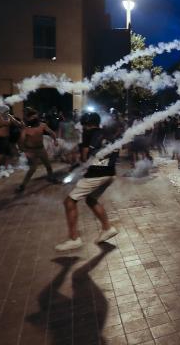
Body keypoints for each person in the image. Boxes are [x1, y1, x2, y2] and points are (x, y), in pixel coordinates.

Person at [55, 112, 119, 252]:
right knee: (91, 199)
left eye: (84, 125)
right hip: (110, 174)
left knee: (69, 201)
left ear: (87, 124)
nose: (83, 128)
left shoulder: (89, 134)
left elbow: (84, 157)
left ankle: (74, 239)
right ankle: (107, 228)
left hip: (96, 174)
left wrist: (82, 159)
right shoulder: (107, 133)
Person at [17, 107, 59, 192]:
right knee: (33, 168)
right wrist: (25, 151)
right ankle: (22, 185)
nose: (34, 118)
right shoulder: (26, 129)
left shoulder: (42, 125)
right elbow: (21, 141)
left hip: (41, 149)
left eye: (35, 117)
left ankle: (51, 177)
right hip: (31, 151)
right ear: (28, 118)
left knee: (48, 165)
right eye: (32, 117)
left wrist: (55, 140)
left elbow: (52, 132)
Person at [0, 106, 23, 182]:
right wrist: (2, 124)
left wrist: (18, 122)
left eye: (8, 111)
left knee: (5, 156)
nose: (7, 112)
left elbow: (18, 124)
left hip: (5, 139)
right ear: (2, 111)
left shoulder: (9, 117)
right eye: (6, 111)